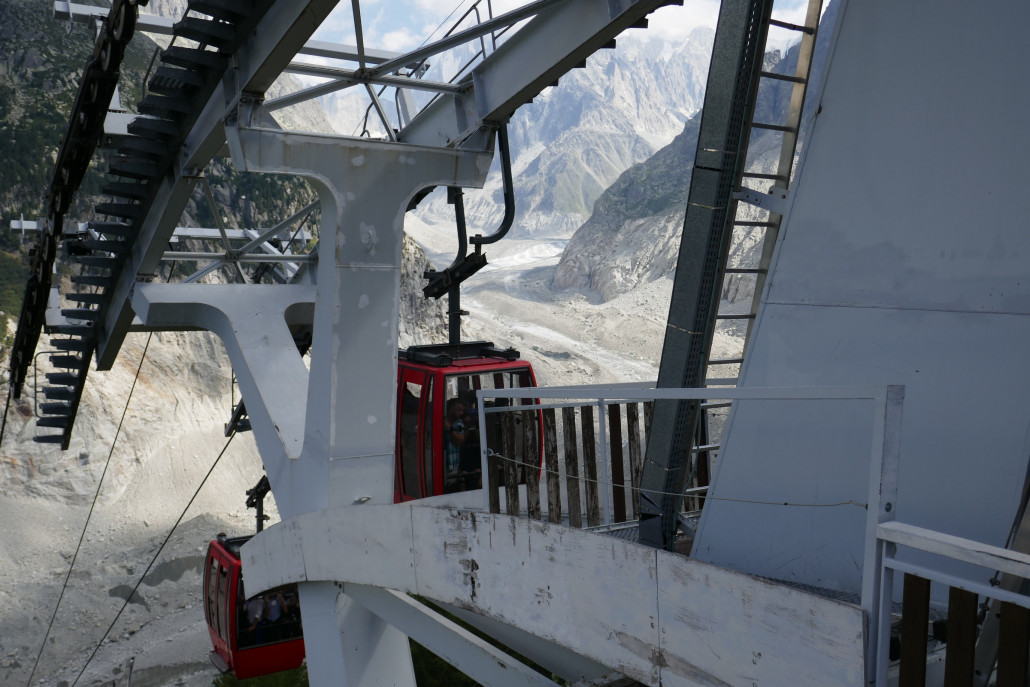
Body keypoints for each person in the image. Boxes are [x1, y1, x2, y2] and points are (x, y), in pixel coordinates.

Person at [443, 398, 467, 478]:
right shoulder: (439, 420)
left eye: (462, 411)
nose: (461, 413)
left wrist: (450, 429)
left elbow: (459, 441)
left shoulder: (459, 423)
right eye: (459, 410)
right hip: (440, 465)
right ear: (450, 409)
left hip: (453, 466)